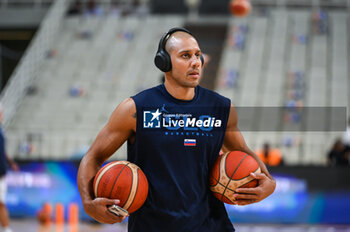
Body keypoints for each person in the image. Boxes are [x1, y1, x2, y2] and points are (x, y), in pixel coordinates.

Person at [77, 27, 276, 231]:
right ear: (163, 62)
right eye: (185, 56)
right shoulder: (135, 109)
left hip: (211, 226)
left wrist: (269, 183)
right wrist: (88, 203)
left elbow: (244, 154)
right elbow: (93, 157)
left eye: (198, 55)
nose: (196, 62)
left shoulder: (221, 108)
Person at [0, 107, 19, 232]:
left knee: (1, 202)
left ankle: (6, 228)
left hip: (1, 172)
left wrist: (10, 162)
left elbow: (2, 151)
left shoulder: (1, 130)